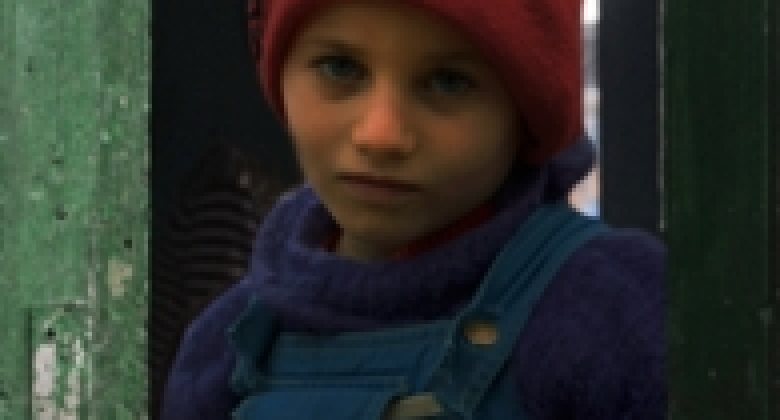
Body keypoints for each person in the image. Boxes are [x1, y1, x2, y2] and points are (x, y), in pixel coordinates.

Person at [160, 0, 664, 418]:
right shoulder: (225, 345)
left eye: (447, 81)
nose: (381, 135)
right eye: (340, 68)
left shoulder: (612, 309)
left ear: (527, 110)